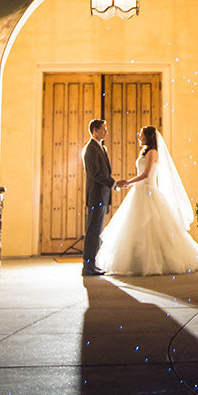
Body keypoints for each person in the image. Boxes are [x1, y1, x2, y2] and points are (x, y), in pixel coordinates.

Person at [96, 125, 198, 275]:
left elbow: (146, 174)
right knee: (135, 227)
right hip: (139, 191)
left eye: (141, 135)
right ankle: (136, 262)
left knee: (152, 227)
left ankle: (158, 262)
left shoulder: (153, 152)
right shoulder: (145, 151)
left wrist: (129, 181)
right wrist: (132, 184)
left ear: (148, 136)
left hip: (148, 190)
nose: (139, 137)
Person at [80, 118, 118, 276]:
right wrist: (114, 183)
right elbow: (96, 174)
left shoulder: (101, 148)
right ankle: (87, 266)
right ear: (95, 130)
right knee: (92, 231)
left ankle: (93, 263)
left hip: (102, 196)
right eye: (103, 129)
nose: (106, 132)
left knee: (97, 230)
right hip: (96, 196)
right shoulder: (90, 149)